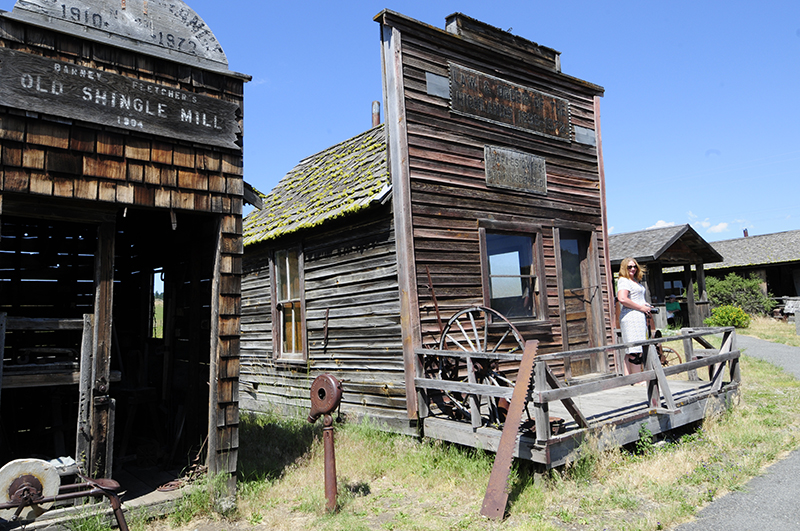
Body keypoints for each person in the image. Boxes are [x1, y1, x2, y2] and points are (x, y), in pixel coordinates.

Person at [616, 257, 652, 376]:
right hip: (631, 317)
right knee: (635, 350)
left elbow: (636, 298)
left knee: (632, 349)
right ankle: (638, 379)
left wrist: (645, 305)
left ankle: (627, 378)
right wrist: (641, 307)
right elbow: (622, 298)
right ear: (624, 268)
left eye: (635, 266)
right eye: (629, 267)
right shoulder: (624, 280)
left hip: (638, 317)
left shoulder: (634, 281)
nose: (633, 269)